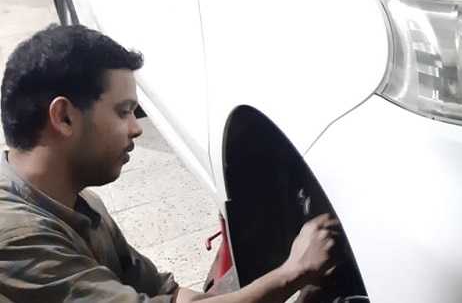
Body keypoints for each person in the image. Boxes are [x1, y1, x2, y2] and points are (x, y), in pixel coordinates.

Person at [0, 24, 337, 302]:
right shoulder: (16, 236)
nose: (136, 128)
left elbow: (170, 295)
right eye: (123, 111)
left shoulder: (79, 201)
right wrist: (293, 272)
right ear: (64, 117)